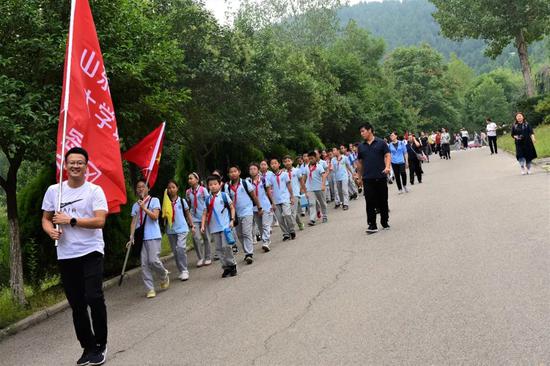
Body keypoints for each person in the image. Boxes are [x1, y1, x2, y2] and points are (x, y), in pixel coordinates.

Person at [41, 147, 109, 366]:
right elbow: (46, 218)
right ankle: (87, 347)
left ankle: (100, 345)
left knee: (94, 297)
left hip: (91, 250)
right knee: (77, 304)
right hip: (66, 253)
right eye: (72, 162)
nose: (75, 166)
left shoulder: (94, 191)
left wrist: (71, 220)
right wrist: (50, 230)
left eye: (80, 162)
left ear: (86, 166)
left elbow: (100, 221)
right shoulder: (54, 191)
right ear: (65, 165)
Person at [130, 179, 169, 298]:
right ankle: (150, 288)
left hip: (153, 235)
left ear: (148, 188)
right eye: (138, 187)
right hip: (140, 237)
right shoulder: (135, 205)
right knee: (144, 264)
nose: (141, 189)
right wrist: (131, 236)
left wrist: (144, 208)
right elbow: (133, 222)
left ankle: (164, 275)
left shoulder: (154, 200)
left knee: (153, 260)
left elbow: (155, 217)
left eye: (143, 186)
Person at [356, 123, 391, 234]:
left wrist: (387, 167)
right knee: (369, 202)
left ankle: (384, 221)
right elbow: (360, 163)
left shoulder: (381, 143)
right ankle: (372, 225)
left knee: (383, 201)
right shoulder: (361, 147)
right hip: (367, 179)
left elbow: (387, 155)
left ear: (369, 130)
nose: (362, 134)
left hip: (380, 177)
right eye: (360, 132)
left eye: (363, 131)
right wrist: (359, 177)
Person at [201, 175, 238, 278]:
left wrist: (232, 220)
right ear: (208, 186)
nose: (213, 186)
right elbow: (204, 213)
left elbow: (232, 208)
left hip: (225, 226)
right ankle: (225, 267)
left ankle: (232, 265)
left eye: (215, 184)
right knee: (218, 249)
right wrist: (203, 226)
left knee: (226, 246)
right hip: (213, 228)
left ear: (220, 184)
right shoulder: (207, 199)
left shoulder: (224, 195)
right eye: (210, 185)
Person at [225, 165, 263, 264]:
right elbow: (227, 201)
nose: (233, 173)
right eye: (231, 172)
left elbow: (253, 196)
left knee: (246, 232)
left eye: (235, 171)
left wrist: (259, 207)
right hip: (236, 214)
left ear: (239, 172)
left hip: (247, 211)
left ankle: (249, 254)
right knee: (239, 234)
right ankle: (247, 251)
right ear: (229, 174)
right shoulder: (227, 186)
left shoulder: (245, 183)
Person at [163, 179, 195, 281]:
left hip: (182, 228)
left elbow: (188, 213)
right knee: (175, 252)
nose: (171, 189)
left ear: (177, 188)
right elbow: (164, 217)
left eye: (173, 187)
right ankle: (181, 270)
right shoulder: (165, 202)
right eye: (169, 188)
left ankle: (185, 270)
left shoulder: (182, 201)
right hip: (171, 230)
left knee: (180, 248)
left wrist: (192, 225)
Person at [186, 173, 212, 267]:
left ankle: (208, 257)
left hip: (203, 216)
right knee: (196, 237)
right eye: (189, 179)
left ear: (197, 180)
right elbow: (188, 205)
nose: (189, 180)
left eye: (191, 178)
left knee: (206, 237)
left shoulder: (203, 189)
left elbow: (208, 201)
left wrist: (208, 214)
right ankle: (200, 258)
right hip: (194, 217)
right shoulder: (188, 192)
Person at [269, 158, 296, 241]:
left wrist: (292, 196)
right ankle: (285, 233)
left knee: (287, 214)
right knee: (280, 219)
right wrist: (272, 202)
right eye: (272, 163)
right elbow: (269, 190)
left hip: (285, 198)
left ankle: (291, 230)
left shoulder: (284, 174)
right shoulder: (270, 177)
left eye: (275, 163)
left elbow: (289, 185)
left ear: (279, 164)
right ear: (270, 166)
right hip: (276, 200)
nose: (274, 165)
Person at [248, 163, 274, 252]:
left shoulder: (263, 180)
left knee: (265, 224)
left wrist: (272, 203)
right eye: (251, 169)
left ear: (258, 170)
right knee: (260, 226)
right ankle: (266, 240)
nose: (252, 170)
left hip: (265, 205)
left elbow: (269, 192)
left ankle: (266, 242)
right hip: (254, 207)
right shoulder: (247, 183)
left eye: (254, 169)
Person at [302, 151, 327, 226]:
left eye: (312, 158)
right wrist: (303, 188)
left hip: (319, 188)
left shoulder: (319, 166)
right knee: (312, 204)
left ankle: (325, 216)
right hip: (310, 189)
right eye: (309, 159)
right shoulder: (306, 167)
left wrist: (323, 185)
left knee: (322, 202)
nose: (310, 160)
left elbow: (324, 175)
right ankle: (312, 219)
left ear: (316, 158)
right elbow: (304, 178)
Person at [283, 155, 305, 230]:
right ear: (283, 163)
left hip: (295, 193)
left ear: (292, 161)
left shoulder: (297, 170)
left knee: (292, 212)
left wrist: (302, 190)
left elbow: (301, 180)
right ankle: (300, 223)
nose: (287, 163)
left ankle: (290, 228)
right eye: (285, 162)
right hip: (286, 195)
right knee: (293, 211)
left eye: (289, 161)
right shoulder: (283, 173)